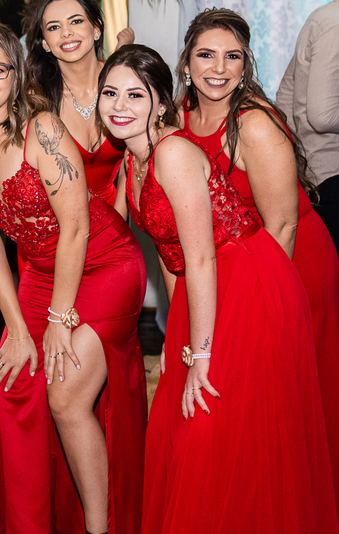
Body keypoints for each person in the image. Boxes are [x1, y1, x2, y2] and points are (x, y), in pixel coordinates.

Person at [99, 44, 339, 534]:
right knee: (187, 424)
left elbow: (203, 256)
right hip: (204, 291)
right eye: (110, 93)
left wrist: (202, 353)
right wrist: (179, 339)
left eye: (134, 95)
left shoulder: (173, 154)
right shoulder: (131, 162)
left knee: (217, 424)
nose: (119, 106)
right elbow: (171, 255)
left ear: (160, 103)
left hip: (247, 284)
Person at [0, 22, 146, 534]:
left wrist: (59, 319)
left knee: (65, 397)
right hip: (37, 274)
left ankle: (99, 528)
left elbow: (76, 228)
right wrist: (16, 328)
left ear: (15, 77)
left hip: (104, 263)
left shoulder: (43, 131)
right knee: (12, 386)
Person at [179, 8, 339, 509]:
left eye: (232, 57)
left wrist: (265, 308)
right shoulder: (181, 116)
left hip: (290, 266)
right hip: (232, 267)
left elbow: (283, 226)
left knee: (290, 397)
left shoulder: (253, 123)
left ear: (245, 64)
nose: (219, 68)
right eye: (206, 55)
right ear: (186, 62)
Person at [25, 0, 129, 214]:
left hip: (115, 217)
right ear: (45, 43)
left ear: (97, 29)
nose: (66, 32)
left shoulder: (125, 84)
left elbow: (132, 162)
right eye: (54, 27)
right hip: (58, 224)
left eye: (76, 21)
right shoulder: (36, 100)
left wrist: (119, 223)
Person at [279, 0, 339, 247]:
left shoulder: (325, 19)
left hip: (317, 175)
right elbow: (323, 116)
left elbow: (285, 96)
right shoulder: (334, 23)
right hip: (332, 174)